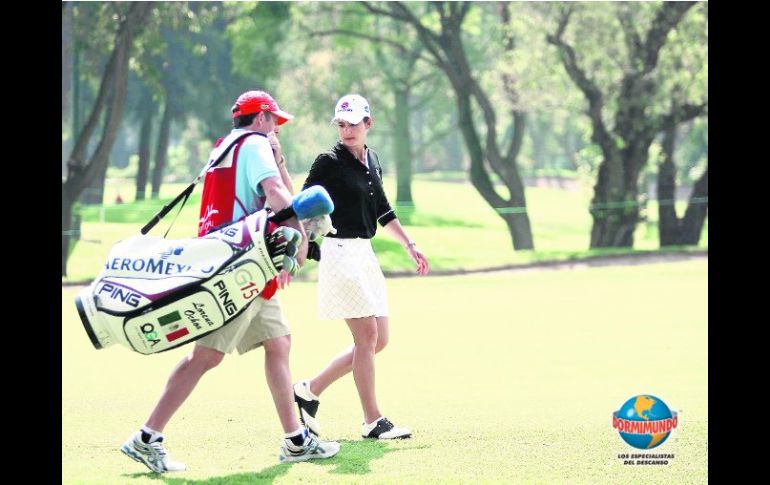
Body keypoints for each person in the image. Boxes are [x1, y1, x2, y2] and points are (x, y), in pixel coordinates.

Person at [120, 90, 340, 473]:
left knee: (278, 343)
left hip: (239, 263)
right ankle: (146, 437)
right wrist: (301, 237)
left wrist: (280, 161)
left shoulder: (225, 146)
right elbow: (275, 193)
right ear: (260, 118)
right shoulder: (255, 144)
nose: (277, 129)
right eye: (274, 121)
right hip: (239, 268)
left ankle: (295, 441)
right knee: (206, 356)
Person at [294, 94, 430, 440]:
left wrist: (410, 244)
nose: (347, 130)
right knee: (367, 337)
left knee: (378, 340)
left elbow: (383, 210)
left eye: (353, 124)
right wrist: (305, 242)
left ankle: (309, 390)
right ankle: (373, 420)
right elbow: (303, 205)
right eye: (341, 124)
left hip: (364, 254)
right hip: (339, 252)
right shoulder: (328, 162)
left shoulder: (372, 159)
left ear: (368, 123)